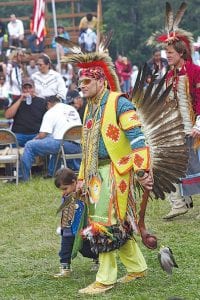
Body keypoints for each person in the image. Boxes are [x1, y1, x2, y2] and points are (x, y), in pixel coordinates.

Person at [60, 44, 153, 294]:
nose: (82, 86)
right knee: (117, 223)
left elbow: (137, 138)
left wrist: (143, 171)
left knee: (103, 224)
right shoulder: (89, 106)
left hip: (116, 171)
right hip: (94, 175)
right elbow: (87, 146)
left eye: (87, 81)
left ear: (101, 81)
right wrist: (80, 178)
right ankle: (137, 267)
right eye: (80, 83)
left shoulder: (118, 103)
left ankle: (105, 278)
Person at [147, 2, 200, 219]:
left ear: (180, 52)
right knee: (173, 164)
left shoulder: (195, 72)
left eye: (169, 52)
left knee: (197, 165)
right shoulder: (169, 75)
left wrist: (198, 124)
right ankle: (179, 202)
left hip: (194, 126)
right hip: (176, 129)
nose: (166, 56)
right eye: (165, 52)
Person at [20, 95, 82, 181]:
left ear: (48, 104)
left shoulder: (51, 112)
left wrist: (33, 139)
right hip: (78, 146)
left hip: (62, 144)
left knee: (29, 145)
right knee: (55, 140)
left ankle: (23, 178)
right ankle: (52, 173)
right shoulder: (71, 109)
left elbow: (42, 135)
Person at [53, 168, 98, 278]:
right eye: (62, 190)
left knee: (86, 250)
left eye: (65, 188)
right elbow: (65, 212)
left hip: (82, 229)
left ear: (74, 182)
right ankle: (65, 268)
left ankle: (98, 258)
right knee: (65, 250)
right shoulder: (66, 197)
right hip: (68, 229)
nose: (64, 192)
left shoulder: (84, 193)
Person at [4, 78, 47, 147]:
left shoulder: (41, 101)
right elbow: (7, 116)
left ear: (34, 88)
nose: (28, 90)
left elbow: (47, 120)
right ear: (22, 89)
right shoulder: (17, 100)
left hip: (35, 134)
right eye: (25, 88)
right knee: (11, 144)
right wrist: (20, 99)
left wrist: (42, 134)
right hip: (18, 134)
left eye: (30, 88)